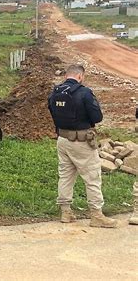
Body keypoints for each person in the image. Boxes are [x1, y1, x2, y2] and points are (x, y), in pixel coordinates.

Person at [48, 64, 117, 228]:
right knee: (92, 177)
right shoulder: (84, 92)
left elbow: (52, 111)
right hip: (81, 141)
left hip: (62, 140)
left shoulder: (55, 92)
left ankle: (66, 212)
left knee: (65, 176)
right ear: (80, 76)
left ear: (67, 75)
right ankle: (96, 215)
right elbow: (97, 117)